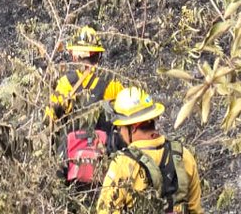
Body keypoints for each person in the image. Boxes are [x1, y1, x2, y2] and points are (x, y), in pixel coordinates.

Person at [96, 88, 202, 214]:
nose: (120, 132)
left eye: (121, 127)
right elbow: (195, 209)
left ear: (133, 128)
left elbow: (105, 210)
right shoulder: (183, 155)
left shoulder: (123, 164)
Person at [47, 26, 127, 189]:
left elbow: (49, 122)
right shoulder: (113, 85)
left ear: (74, 56)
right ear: (98, 56)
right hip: (103, 163)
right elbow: (127, 120)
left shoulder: (64, 84)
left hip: (70, 164)